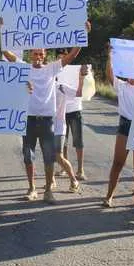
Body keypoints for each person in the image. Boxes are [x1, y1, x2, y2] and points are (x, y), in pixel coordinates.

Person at [1, 20, 89, 204]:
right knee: (28, 155)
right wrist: (1, 29)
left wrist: (83, 34)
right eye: (35, 53)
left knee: (49, 157)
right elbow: (6, 53)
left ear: (45, 54)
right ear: (30, 54)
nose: (38, 56)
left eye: (41, 53)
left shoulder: (52, 68)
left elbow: (72, 55)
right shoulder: (23, 67)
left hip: (48, 120)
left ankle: (48, 190)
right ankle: (32, 189)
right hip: (29, 119)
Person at [102, 42, 134, 208]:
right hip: (125, 127)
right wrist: (110, 56)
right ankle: (109, 196)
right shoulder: (121, 86)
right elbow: (109, 74)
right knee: (118, 163)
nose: (130, 74)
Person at [52, 65, 86, 193]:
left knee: (59, 156)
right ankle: (51, 181)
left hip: (59, 127)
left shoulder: (61, 87)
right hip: (45, 126)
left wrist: (81, 77)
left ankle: (74, 180)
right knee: (48, 156)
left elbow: (78, 93)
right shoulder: (41, 87)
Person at [59, 50, 87, 180]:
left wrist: (82, 76)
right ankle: (64, 168)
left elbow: (83, 90)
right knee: (63, 142)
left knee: (78, 142)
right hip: (61, 111)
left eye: (64, 57)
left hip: (75, 110)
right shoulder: (55, 70)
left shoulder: (77, 70)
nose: (62, 59)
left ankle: (80, 169)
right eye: (59, 57)